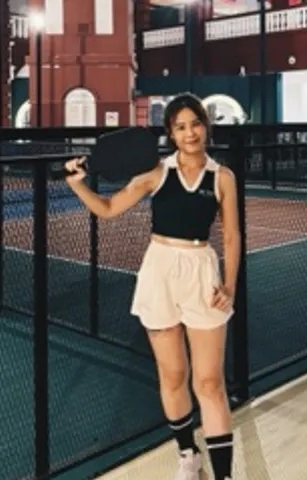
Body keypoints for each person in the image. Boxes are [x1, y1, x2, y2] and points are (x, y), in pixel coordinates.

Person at [64, 93, 240, 480]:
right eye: (181, 127)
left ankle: (224, 476)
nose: (190, 133)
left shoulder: (222, 177)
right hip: (159, 272)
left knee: (209, 383)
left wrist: (229, 284)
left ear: (206, 127)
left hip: (201, 273)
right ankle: (188, 455)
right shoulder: (156, 173)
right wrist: (77, 185)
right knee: (173, 376)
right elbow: (108, 209)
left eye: (195, 124)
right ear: (171, 134)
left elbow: (231, 236)